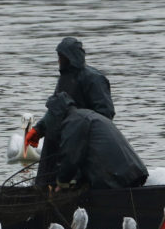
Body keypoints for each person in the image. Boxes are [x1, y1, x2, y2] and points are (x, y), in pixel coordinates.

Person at [27, 37, 115, 185]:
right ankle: (47, 188)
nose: (59, 60)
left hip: (85, 137)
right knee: (49, 174)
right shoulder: (64, 78)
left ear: (71, 57)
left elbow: (106, 114)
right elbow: (55, 109)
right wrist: (39, 129)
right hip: (63, 136)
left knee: (76, 172)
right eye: (59, 56)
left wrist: (81, 125)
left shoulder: (94, 79)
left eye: (62, 57)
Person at [38, 92, 147, 190]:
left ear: (57, 113)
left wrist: (61, 183)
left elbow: (70, 158)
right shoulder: (85, 115)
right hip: (134, 173)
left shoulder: (74, 122)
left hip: (118, 178)